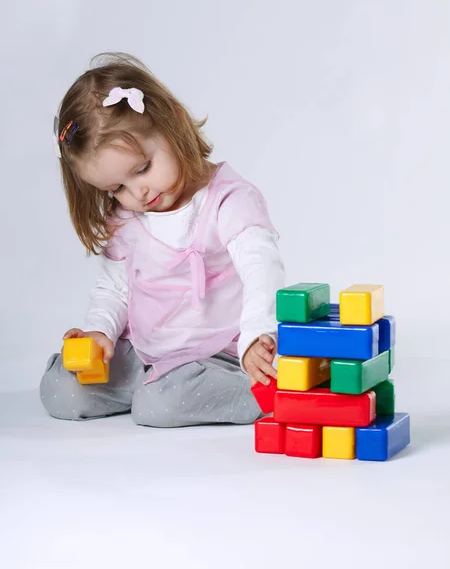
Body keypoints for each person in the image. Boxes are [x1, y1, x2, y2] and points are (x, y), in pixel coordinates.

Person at [40, 52, 285, 428]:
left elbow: (261, 270)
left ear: (172, 124)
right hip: (147, 355)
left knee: (159, 407)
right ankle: (153, 386)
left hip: (216, 356)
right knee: (61, 390)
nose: (137, 192)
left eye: (143, 169)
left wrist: (257, 336)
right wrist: (99, 331)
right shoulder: (127, 218)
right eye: (117, 187)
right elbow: (114, 289)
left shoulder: (228, 201)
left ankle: (259, 393)